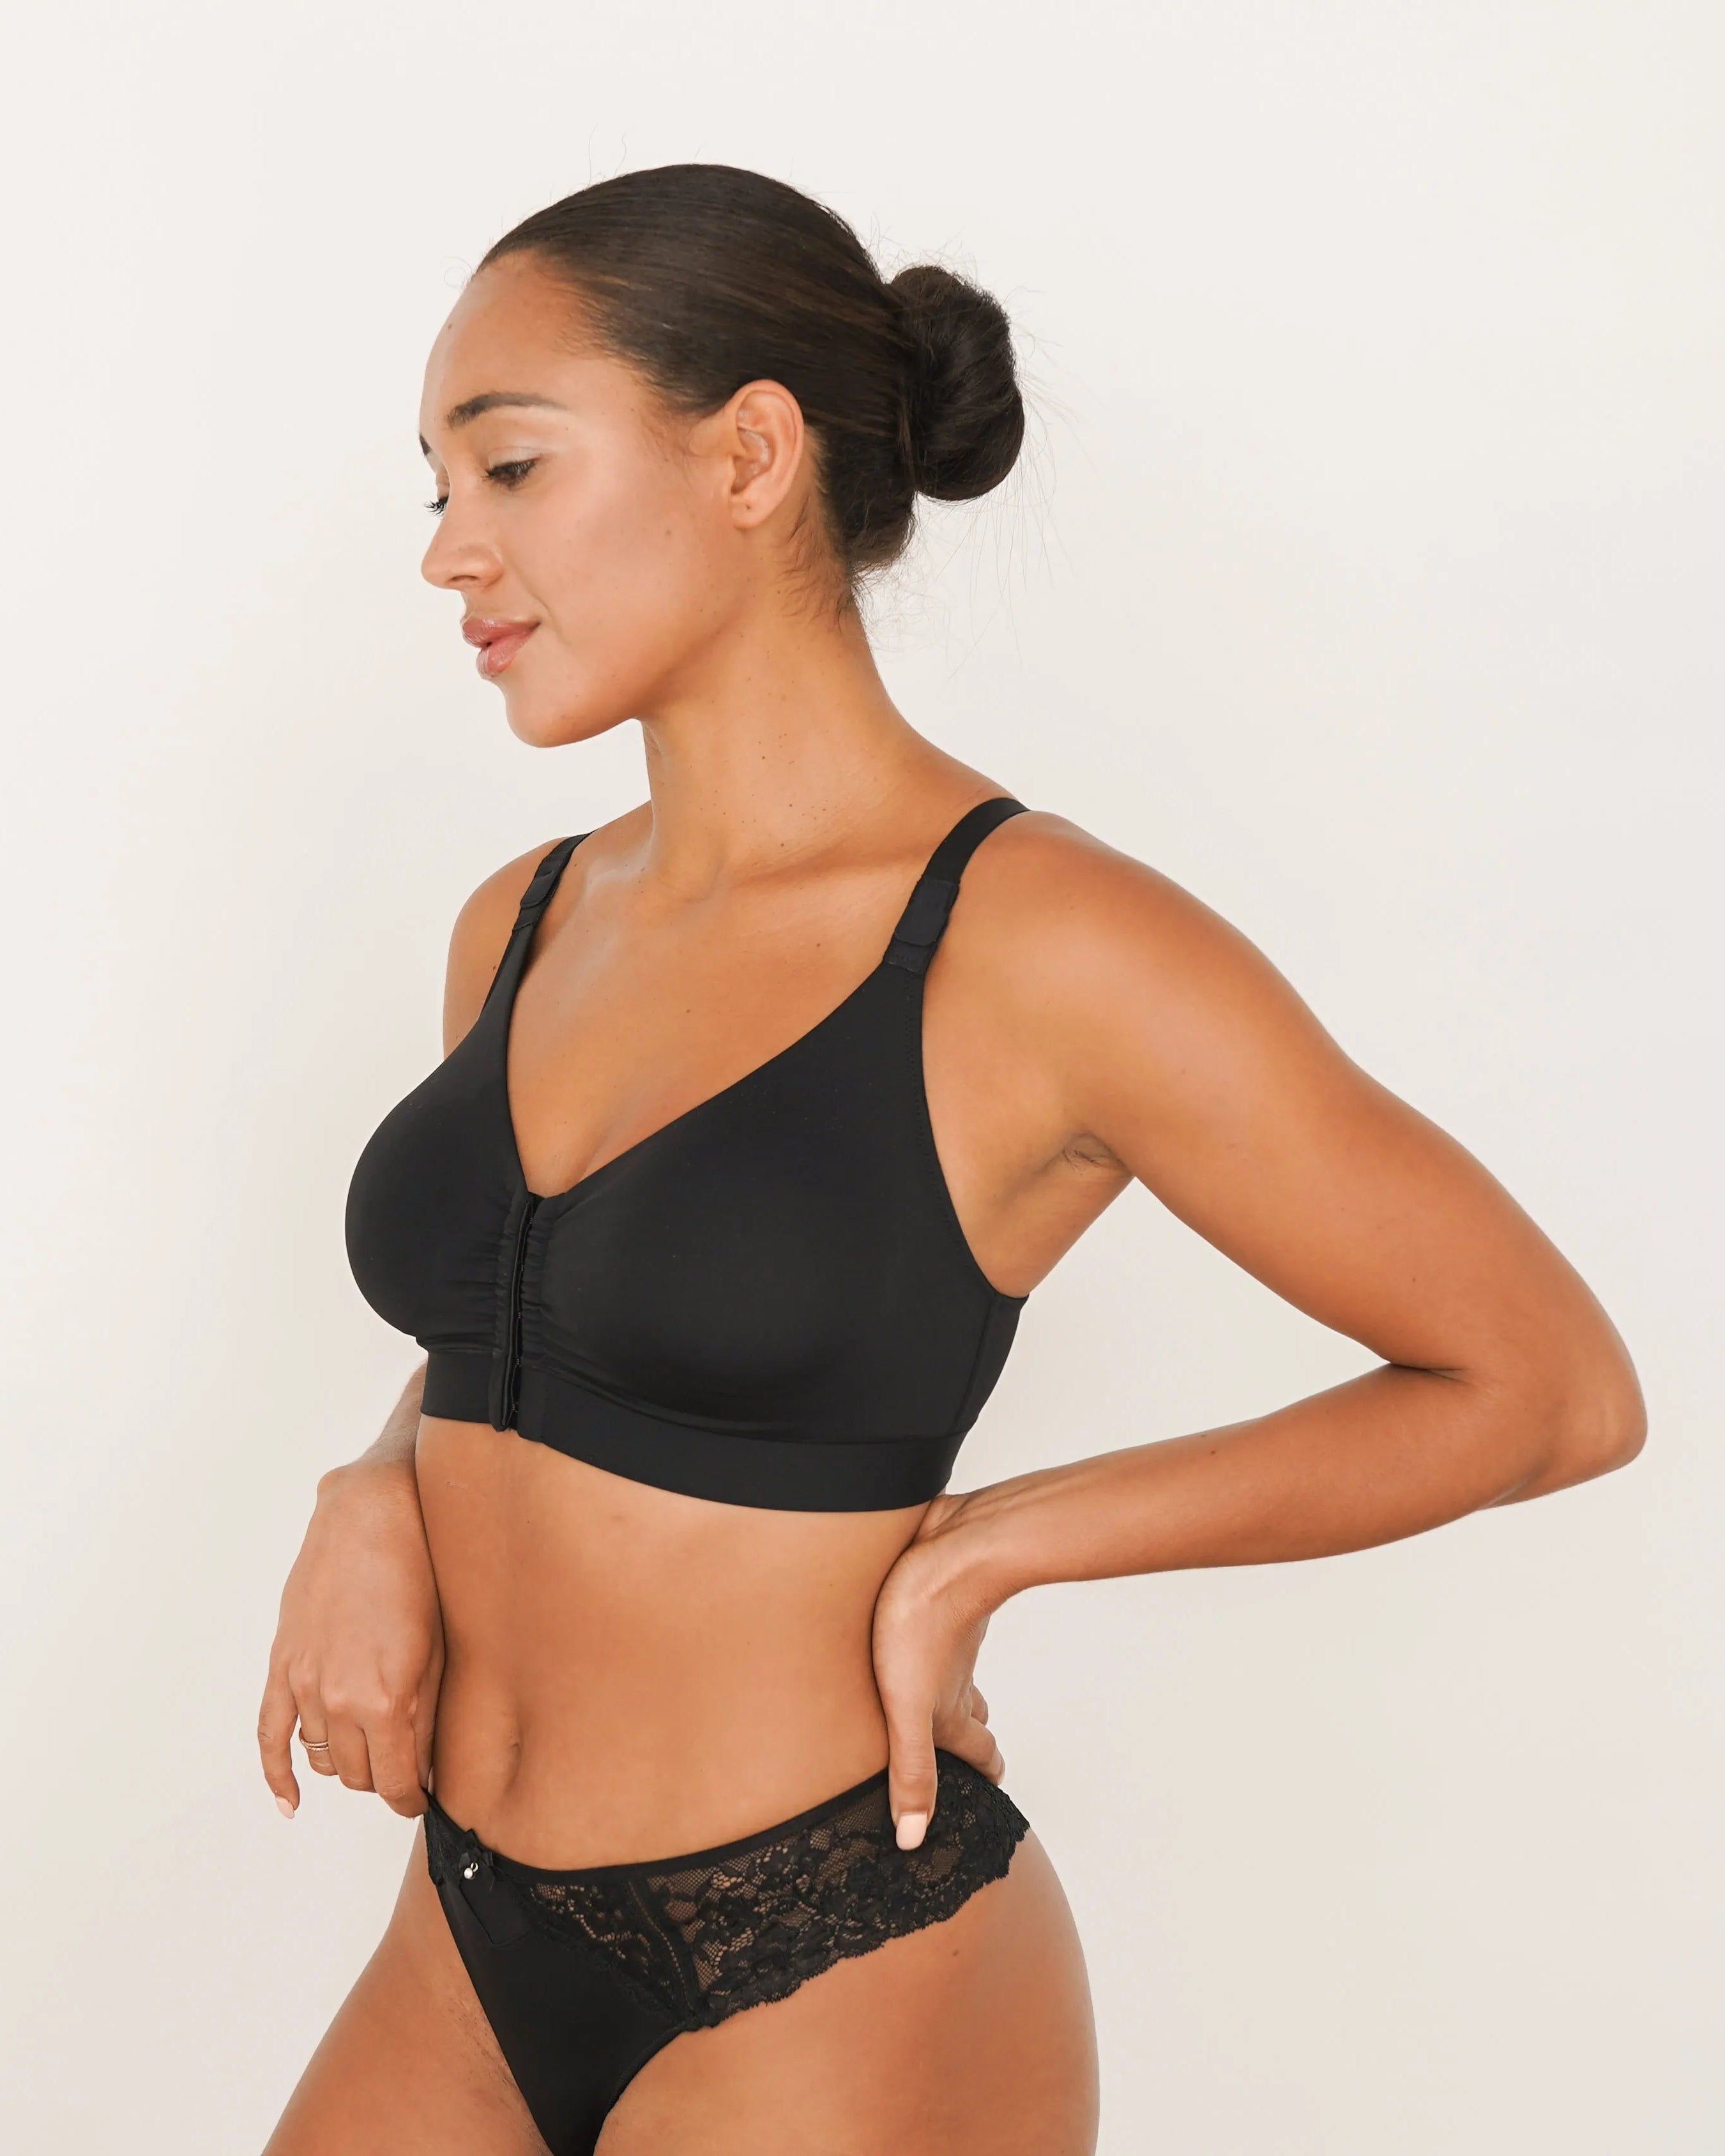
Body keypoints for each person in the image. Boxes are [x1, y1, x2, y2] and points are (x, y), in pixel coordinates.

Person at [257, 165, 1644, 2156]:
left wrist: (1001, 1544)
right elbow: (534, 1338)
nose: (448, 552)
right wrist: (369, 1481)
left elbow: (1545, 1385)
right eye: (436, 490)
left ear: (749, 454)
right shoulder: (524, 919)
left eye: (510, 470)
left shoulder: (1046, 947)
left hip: (833, 1949)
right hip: (463, 1926)